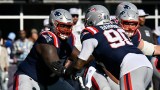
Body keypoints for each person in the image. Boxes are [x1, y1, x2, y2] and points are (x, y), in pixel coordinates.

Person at [64, 5, 153, 90]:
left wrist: (68, 71)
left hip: (130, 67)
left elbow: (81, 60)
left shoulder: (91, 32)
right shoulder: (117, 28)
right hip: (145, 64)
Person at [13, 9, 85, 90]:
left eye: (68, 26)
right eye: (63, 26)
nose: (66, 30)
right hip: (30, 76)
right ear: (53, 24)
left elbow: (80, 56)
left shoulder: (69, 38)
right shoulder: (47, 38)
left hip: (50, 80)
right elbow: (57, 68)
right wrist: (76, 66)